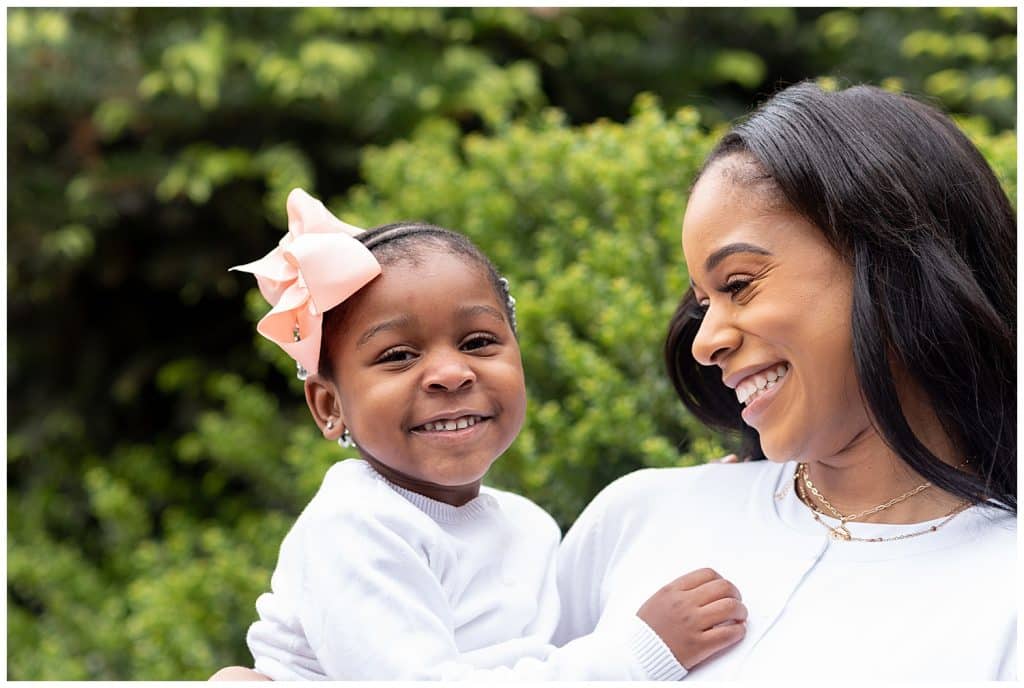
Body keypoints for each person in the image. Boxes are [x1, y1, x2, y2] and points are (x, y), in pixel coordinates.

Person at [555, 82, 1016, 680]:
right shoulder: (638, 517)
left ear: (891, 264)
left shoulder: (1005, 593)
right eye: (701, 303)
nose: (705, 341)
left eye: (739, 284)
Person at [210, 189, 747, 681]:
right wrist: (640, 653)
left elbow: (563, 644)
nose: (451, 372)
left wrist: (696, 499)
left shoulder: (526, 527)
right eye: (398, 355)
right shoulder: (356, 526)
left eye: (478, 341)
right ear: (330, 407)